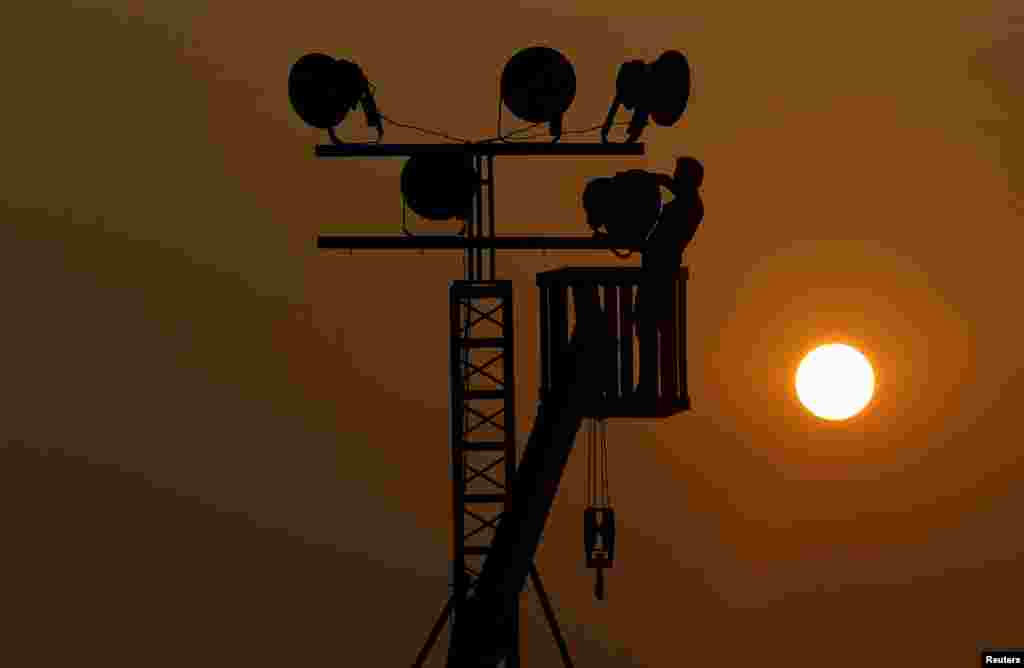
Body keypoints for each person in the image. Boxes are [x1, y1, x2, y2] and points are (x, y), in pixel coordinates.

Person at [636, 157, 704, 400]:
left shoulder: (691, 205)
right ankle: (649, 385)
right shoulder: (686, 203)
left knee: (654, 328)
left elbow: (663, 240)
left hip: (661, 272)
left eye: (679, 173)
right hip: (656, 269)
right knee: (648, 329)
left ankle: (653, 388)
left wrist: (659, 180)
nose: (674, 176)